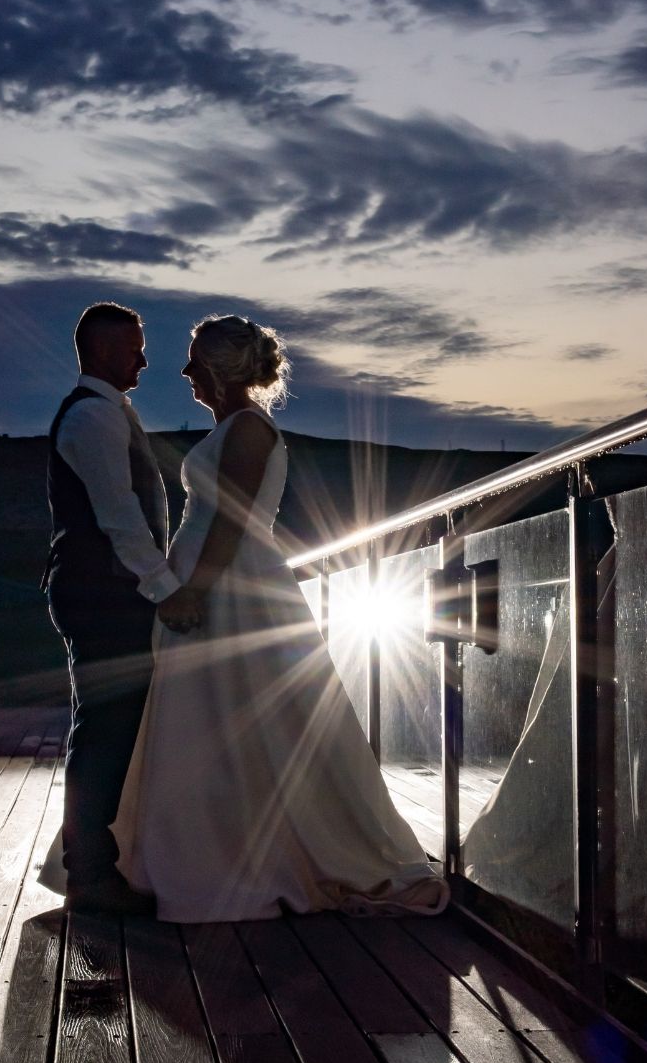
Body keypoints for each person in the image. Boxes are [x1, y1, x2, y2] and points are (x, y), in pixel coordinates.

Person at [112, 314, 448, 922]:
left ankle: (256, 859)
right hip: (215, 584)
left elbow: (234, 521)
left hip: (234, 591)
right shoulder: (231, 427)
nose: (184, 372)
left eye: (193, 360)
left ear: (218, 367)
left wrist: (196, 592)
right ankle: (211, 849)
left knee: (247, 720)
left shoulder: (247, 431)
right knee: (210, 723)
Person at [41, 301, 201, 912]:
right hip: (103, 595)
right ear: (105, 350)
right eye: (134, 346)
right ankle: (90, 875)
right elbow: (120, 518)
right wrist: (167, 590)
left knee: (109, 726)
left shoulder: (106, 411)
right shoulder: (92, 419)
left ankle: (97, 865)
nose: (143, 357)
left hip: (106, 591)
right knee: (104, 730)